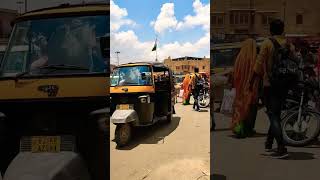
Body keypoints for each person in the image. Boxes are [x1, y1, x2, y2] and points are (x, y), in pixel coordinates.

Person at [250, 19, 295, 159]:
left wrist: (251, 81)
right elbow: (294, 61)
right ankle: (269, 142)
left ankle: (281, 147)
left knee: (273, 114)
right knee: (276, 112)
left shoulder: (267, 43)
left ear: (271, 30)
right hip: (285, 84)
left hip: (270, 84)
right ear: (282, 29)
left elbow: (258, 64)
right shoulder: (289, 44)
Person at [231, 39, 260, 138]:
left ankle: (239, 128)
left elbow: (235, 73)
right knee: (250, 109)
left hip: (239, 88)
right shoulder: (254, 58)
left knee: (240, 108)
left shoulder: (239, 57)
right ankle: (248, 129)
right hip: (251, 88)